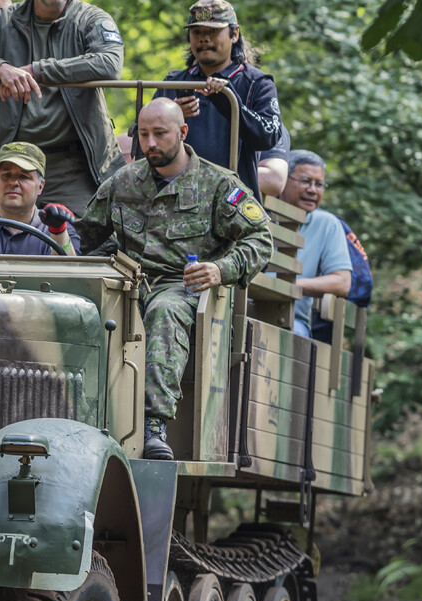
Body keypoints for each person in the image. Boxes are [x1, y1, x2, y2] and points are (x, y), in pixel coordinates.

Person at [79, 98, 272, 460]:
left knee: (165, 310)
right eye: (144, 135)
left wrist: (220, 269)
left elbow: (261, 239)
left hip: (184, 288)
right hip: (127, 284)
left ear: (182, 133)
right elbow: (85, 235)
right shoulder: (123, 182)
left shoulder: (218, 185)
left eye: (160, 134)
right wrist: (112, 262)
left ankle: (153, 427)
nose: (150, 144)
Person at [0, 0, 124, 215]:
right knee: (5, 240)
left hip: (73, 166)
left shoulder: (90, 18)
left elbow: (110, 63)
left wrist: (38, 71)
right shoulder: (1, 20)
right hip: (11, 163)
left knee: (81, 243)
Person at [147, 0, 284, 197]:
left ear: (234, 34)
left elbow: (268, 137)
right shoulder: (173, 82)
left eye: (212, 31)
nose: (203, 39)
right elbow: (140, 139)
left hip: (232, 202)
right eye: (197, 32)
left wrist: (229, 102)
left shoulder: (257, 83)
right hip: (174, 201)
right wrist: (170, 116)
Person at [278, 150, 350, 339]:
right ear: (283, 179)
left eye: (319, 184)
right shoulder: (258, 211)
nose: (313, 190)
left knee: (293, 336)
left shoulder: (327, 224)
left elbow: (342, 282)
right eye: (305, 181)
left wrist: (291, 285)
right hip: (243, 309)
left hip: (292, 321)